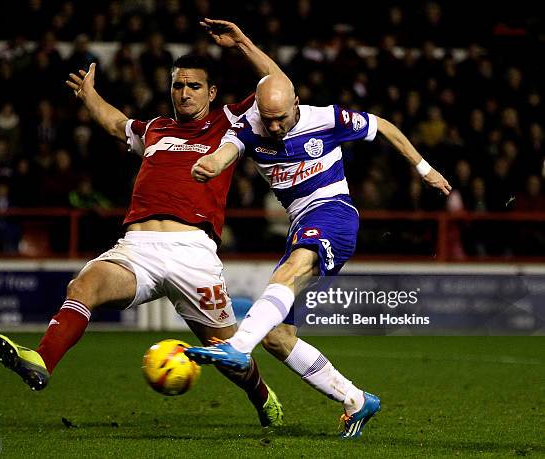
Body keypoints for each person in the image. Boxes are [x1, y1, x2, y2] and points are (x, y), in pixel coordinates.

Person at [0, 19, 285, 428]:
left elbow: (278, 86)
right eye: (178, 85)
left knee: (226, 353)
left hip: (192, 255)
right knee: (83, 286)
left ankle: (263, 396)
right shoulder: (155, 129)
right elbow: (115, 123)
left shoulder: (229, 123)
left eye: (194, 86)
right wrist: (90, 95)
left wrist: (242, 43)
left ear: (212, 92)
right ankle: (42, 359)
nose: (184, 93)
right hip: (137, 250)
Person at [186, 73, 452, 438]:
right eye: (268, 118)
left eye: (282, 117)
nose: (275, 126)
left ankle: (237, 346)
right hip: (300, 227)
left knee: (290, 272)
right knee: (277, 336)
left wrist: (425, 169)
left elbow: (384, 126)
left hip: (334, 214)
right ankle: (356, 400)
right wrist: (212, 165)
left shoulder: (326, 119)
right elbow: (225, 152)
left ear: (296, 103)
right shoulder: (248, 127)